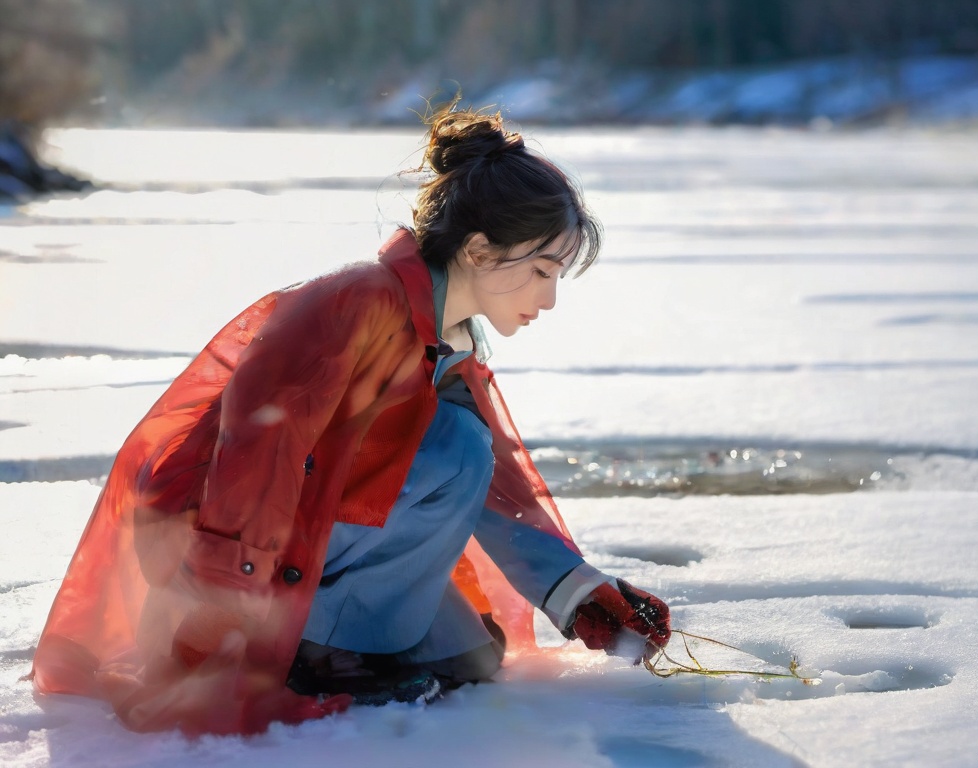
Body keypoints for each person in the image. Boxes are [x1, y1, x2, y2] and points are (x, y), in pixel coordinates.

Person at [31, 107, 671, 735]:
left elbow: (499, 496)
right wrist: (223, 609)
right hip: (216, 535)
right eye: (541, 271)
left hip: (293, 534)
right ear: (479, 250)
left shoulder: (446, 342)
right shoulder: (359, 302)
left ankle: (339, 638)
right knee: (457, 446)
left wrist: (581, 592)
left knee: (471, 657)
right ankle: (312, 648)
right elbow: (259, 443)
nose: (549, 298)